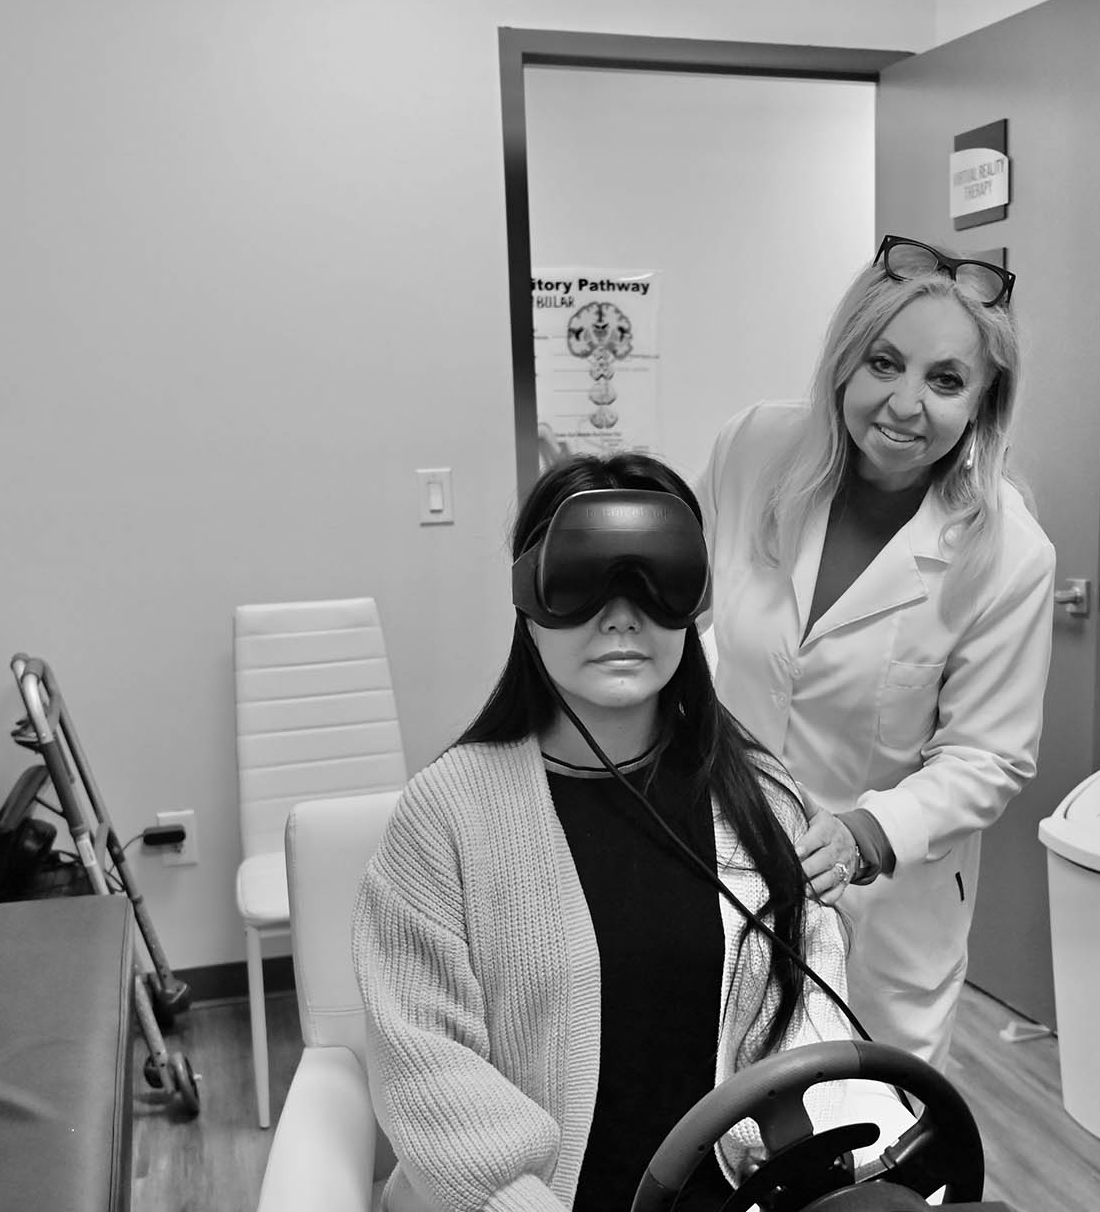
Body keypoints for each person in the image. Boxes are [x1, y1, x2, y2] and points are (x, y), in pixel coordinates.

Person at [352, 453, 856, 1212]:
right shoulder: (445, 816)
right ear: (528, 597)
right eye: (587, 581)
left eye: (657, 582)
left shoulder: (760, 795)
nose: (624, 616)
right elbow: (428, 1072)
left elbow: (808, 1027)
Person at [697, 234, 1058, 1069]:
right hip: (724, 853)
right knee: (719, 1105)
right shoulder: (753, 450)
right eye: (884, 364)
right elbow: (691, 620)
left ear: (981, 404)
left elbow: (988, 757)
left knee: (872, 1133)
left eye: (945, 380)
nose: (905, 404)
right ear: (844, 364)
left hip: (884, 906)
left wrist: (868, 831)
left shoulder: (1007, 554)